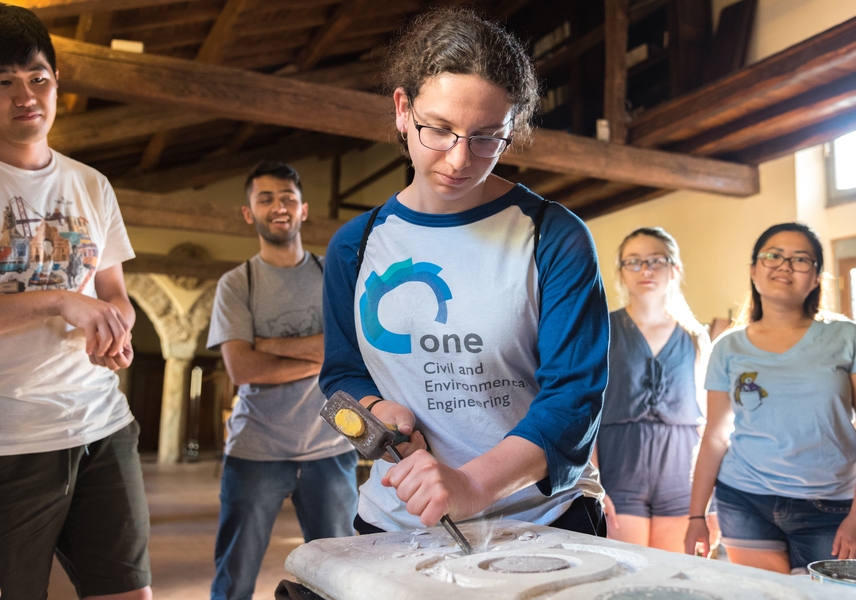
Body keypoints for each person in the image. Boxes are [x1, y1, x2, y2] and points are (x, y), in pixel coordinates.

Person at [320, 7, 609, 536]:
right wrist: (375, 407)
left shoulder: (554, 236)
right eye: (440, 129)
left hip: (540, 521)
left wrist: (471, 485)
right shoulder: (355, 246)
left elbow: (574, 400)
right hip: (398, 523)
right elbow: (342, 374)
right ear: (404, 109)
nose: (459, 159)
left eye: (485, 137)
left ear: (511, 127)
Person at [0, 4, 152, 599]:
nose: (25, 95)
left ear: (57, 83)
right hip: (11, 439)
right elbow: (72, 298)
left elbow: (113, 291)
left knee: (128, 594)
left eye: (37, 78)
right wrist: (59, 301)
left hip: (101, 425)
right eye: (3, 82)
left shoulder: (91, 184)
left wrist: (114, 328)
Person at [685, 222, 856, 573]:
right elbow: (716, 435)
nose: (784, 265)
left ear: (816, 278)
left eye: (800, 259)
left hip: (832, 505)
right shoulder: (728, 347)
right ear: (753, 271)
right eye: (773, 255)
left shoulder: (848, 337)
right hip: (744, 498)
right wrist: (696, 515)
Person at [207, 161, 358, 600]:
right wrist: (323, 354)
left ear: (303, 210)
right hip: (255, 451)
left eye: (288, 198)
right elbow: (243, 369)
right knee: (234, 579)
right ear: (248, 212)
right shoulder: (237, 283)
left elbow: (352, 349)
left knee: (341, 576)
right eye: (266, 198)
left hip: (330, 449)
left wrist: (266, 342)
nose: (279, 207)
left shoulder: (332, 273)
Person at [594, 227, 712, 552]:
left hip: (681, 470)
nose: (645, 270)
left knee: (674, 577)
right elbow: (586, 411)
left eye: (655, 261)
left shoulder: (696, 337)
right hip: (620, 468)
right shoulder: (602, 329)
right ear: (621, 272)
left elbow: (711, 419)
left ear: (674, 268)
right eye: (634, 262)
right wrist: (593, 481)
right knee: (625, 572)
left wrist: (709, 500)